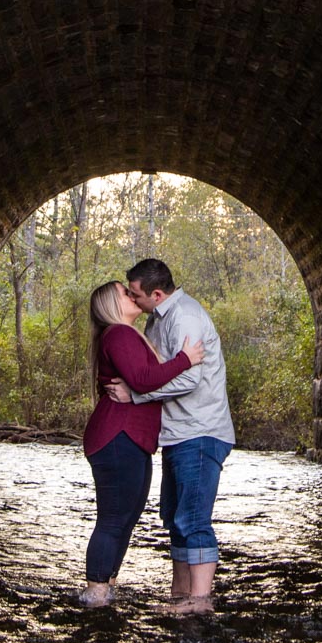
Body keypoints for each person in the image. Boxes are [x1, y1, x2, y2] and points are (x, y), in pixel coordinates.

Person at [105, 258, 235, 612]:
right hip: (178, 434)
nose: (133, 299)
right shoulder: (157, 318)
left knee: (193, 518)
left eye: (135, 294)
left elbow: (188, 378)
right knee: (175, 517)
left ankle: (200, 600)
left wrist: (136, 395)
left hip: (201, 431)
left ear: (157, 294)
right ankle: (180, 594)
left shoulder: (185, 317)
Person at [79, 279, 205, 607]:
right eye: (125, 293)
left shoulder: (129, 334)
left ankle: (106, 585)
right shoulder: (118, 333)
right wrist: (184, 359)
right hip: (117, 435)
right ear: (111, 304)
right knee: (113, 518)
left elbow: (142, 381)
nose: (132, 296)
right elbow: (142, 381)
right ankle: (96, 591)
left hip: (131, 438)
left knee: (127, 515)